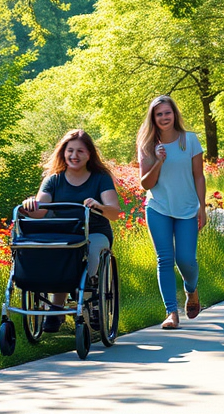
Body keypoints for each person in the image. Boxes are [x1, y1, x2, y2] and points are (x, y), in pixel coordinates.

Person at [21, 130, 122, 331]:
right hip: (65, 234)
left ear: (89, 154)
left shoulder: (100, 178)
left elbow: (114, 213)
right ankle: (56, 308)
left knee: (89, 255)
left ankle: (90, 303)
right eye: (70, 151)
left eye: (80, 151)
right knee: (61, 255)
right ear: (63, 152)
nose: (74, 156)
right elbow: (41, 212)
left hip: (95, 232)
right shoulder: (54, 180)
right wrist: (29, 206)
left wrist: (98, 206)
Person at [137, 95, 207, 330]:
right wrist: (158, 160)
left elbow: (199, 175)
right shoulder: (147, 145)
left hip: (187, 209)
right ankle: (171, 313)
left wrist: (202, 207)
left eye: (167, 113)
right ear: (153, 118)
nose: (164, 117)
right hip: (158, 208)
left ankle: (191, 289)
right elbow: (146, 185)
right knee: (165, 259)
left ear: (174, 114)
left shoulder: (190, 141)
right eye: (159, 114)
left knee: (186, 260)